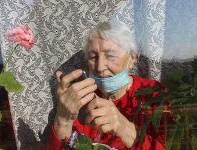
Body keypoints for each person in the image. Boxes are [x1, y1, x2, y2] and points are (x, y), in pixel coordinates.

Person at [46, 20, 166, 150]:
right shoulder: (80, 98)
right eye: (93, 57)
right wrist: (63, 119)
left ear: (131, 59)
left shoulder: (155, 95)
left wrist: (124, 127)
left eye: (110, 56)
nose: (100, 67)